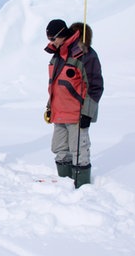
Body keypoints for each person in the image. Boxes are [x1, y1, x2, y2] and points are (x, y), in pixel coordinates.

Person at [43, 19, 104, 188]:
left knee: (79, 153)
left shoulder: (84, 54)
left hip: (77, 114)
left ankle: (82, 189)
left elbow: (95, 86)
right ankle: (65, 186)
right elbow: (56, 85)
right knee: (60, 150)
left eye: (53, 38)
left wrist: (88, 113)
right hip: (59, 112)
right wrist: (50, 107)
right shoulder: (57, 56)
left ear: (62, 34)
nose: (51, 42)